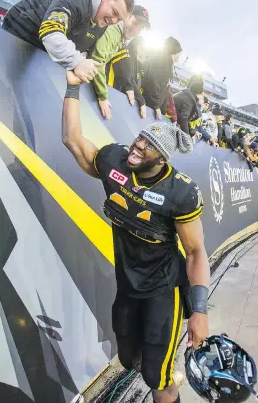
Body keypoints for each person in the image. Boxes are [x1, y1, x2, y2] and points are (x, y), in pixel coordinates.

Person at [62, 70, 210, 403]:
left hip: (164, 291)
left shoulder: (180, 192)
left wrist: (199, 312)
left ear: (163, 158)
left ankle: (167, 380)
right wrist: (72, 87)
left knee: (157, 378)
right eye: (141, 138)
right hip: (128, 286)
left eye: (150, 146)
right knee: (131, 360)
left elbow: (196, 252)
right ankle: (160, 367)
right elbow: (73, 139)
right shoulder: (116, 159)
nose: (139, 147)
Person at [2, 0, 134, 83]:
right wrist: (77, 62)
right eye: (114, 12)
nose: (113, 20)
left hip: (39, 53)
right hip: (16, 33)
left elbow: (81, 49)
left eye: (119, 20)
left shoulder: (103, 23)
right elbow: (51, 30)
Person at [89, 5, 150, 119]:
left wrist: (131, 89)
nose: (136, 31)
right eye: (135, 23)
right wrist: (103, 96)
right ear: (127, 16)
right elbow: (97, 61)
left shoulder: (121, 38)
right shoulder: (114, 30)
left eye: (140, 28)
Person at [105, 34, 147, 119]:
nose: (142, 53)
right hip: (109, 92)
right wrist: (141, 100)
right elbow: (128, 78)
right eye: (141, 49)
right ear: (136, 46)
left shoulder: (138, 65)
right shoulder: (125, 54)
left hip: (118, 97)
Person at [141, 36, 183, 120]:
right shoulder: (162, 61)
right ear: (174, 51)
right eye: (179, 53)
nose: (179, 56)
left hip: (151, 106)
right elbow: (153, 83)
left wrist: (163, 110)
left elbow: (164, 90)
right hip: (147, 104)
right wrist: (156, 106)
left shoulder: (167, 62)